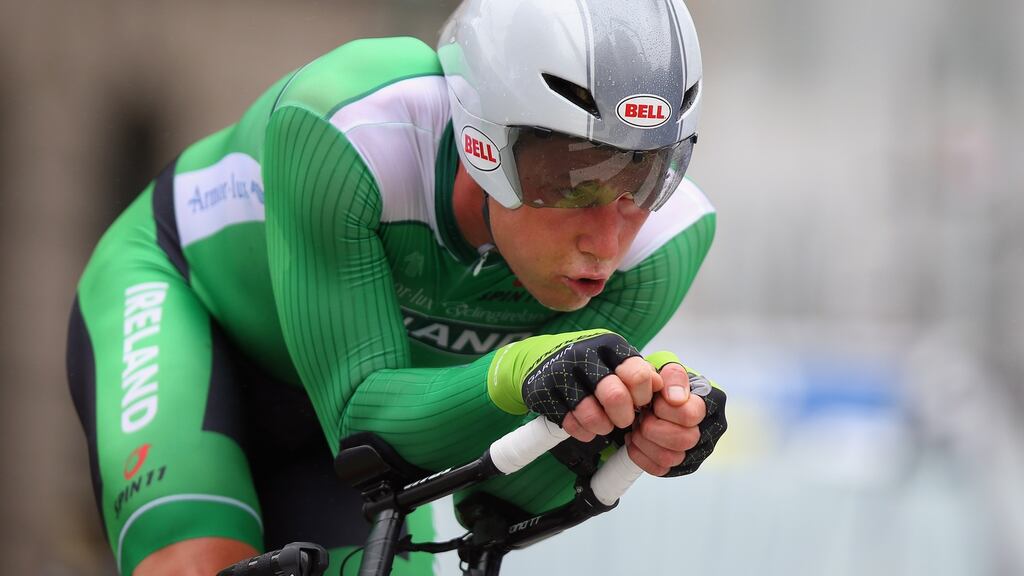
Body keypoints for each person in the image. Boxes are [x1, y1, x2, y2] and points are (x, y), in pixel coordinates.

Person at [65, 0, 728, 574]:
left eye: (644, 180)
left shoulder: (668, 243)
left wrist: (626, 429)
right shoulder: (347, 125)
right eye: (575, 179)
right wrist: (518, 373)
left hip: (382, 410)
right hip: (194, 311)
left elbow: (494, 502)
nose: (608, 241)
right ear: (484, 142)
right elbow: (361, 417)